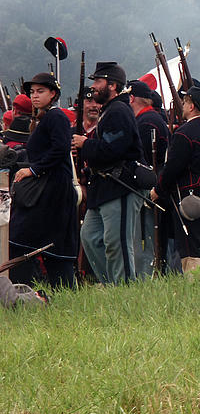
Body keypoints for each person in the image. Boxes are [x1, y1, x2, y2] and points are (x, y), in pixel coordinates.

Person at [73, 62, 144, 284]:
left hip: (120, 185)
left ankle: (124, 291)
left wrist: (86, 144)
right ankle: (112, 284)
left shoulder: (119, 111)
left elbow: (113, 150)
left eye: (98, 82)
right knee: (90, 237)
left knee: (118, 244)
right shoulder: (110, 111)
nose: (93, 87)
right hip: (104, 186)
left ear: (112, 85)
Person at [8, 73, 79, 289]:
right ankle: (26, 290)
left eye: (40, 91)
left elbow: (60, 149)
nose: (34, 96)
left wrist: (33, 170)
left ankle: (25, 290)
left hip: (53, 190)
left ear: (53, 94)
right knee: (40, 245)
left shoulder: (55, 117)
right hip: (48, 188)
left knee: (25, 240)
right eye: (32, 92)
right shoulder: (46, 118)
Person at [150, 87, 200, 272]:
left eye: (185, 102)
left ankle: (195, 286)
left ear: (192, 106)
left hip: (193, 194)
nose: (183, 106)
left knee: (191, 244)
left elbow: (173, 168)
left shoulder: (184, 132)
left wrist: (158, 190)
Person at [128, 80, 169, 278]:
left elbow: (141, 157)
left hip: (148, 184)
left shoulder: (146, 122)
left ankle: (146, 275)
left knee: (147, 236)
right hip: (152, 181)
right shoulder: (149, 119)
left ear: (132, 97)